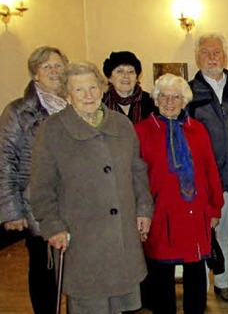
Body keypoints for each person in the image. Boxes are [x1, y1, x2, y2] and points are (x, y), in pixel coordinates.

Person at [30, 61, 153, 313]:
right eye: (79, 90)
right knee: (89, 302)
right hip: (82, 237)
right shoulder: (52, 130)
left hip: (121, 236)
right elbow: (41, 186)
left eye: (92, 87)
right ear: (67, 94)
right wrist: (52, 226)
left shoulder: (121, 125)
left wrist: (143, 209)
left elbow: (137, 171)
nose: (88, 95)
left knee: (122, 302)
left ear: (102, 88)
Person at [135, 74, 224, 314]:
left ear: (185, 101)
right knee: (161, 275)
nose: (170, 102)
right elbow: (135, 177)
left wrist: (215, 208)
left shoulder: (198, 130)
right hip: (160, 213)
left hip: (195, 213)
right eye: (164, 96)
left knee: (195, 272)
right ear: (156, 99)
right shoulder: (142, 131)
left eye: (176, 97)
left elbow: (210, 170)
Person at [0, 46, 68, 314]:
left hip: (73, 204)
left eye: (58, 66)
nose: (53, 71)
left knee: (73, 273)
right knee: (44, 270)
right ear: (35, 74)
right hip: (36, 204)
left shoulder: (73, 106)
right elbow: (4, 161)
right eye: (46, 66)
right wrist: (11, 211)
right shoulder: (18, 111)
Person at [187, 33, 228, 303]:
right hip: (204, 180)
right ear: (198, 57)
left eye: (217, 52)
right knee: (207, 236)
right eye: (207, 53)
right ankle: (205, 287)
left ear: (225, 57)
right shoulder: (188, 93)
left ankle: (227, 282)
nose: (212, 57)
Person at [102, 51, 157, 124]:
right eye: (119, 71)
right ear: (109, 78)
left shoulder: (151, 102)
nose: (126, 76)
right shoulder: (101, 103)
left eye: (131, 71)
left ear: (137, 78)